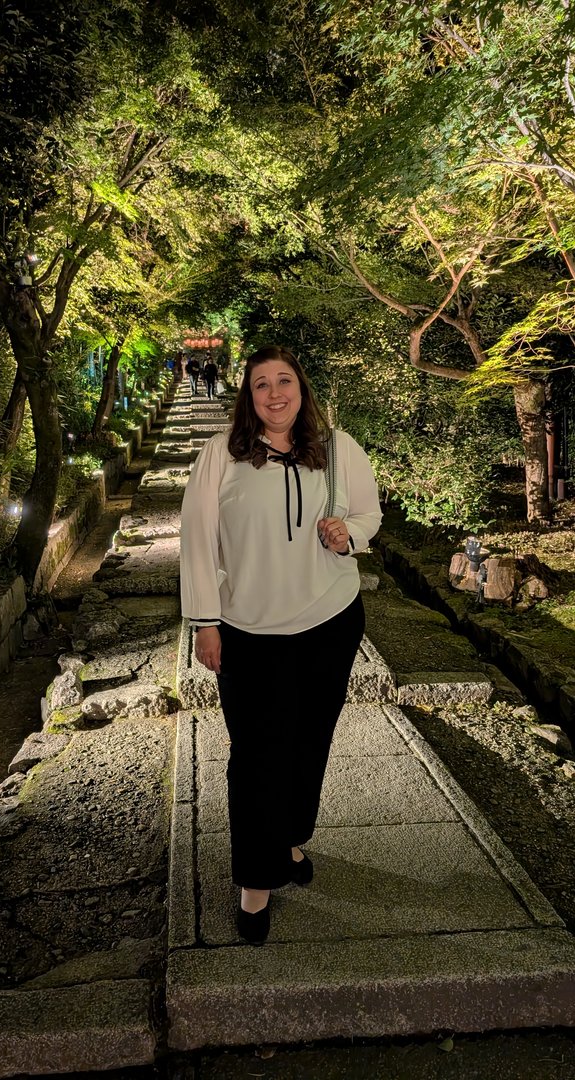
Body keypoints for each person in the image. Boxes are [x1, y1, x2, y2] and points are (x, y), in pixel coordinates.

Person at [179, 344, 382, 944]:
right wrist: (205, 621)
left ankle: (290, 838)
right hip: (250, 631)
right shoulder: (221, 455)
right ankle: (255, 882)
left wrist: (349, 535)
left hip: (330, 621)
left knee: (308, 743)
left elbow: (369, 516)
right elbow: (195, 539)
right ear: (246, 393)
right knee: (256, 757)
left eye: (284, 380)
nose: (274, 393)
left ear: (301, 387)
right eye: (261, 383)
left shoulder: (338, 449)